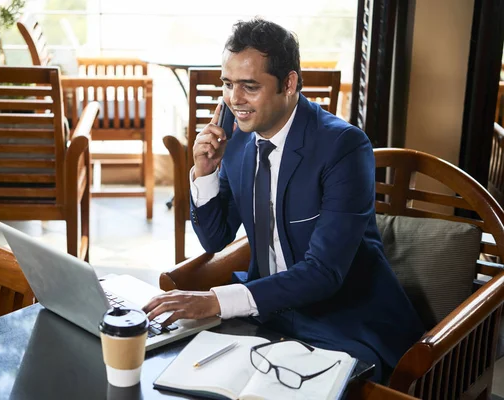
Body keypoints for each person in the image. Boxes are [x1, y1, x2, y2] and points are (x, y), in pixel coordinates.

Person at [144, 18, 424, 382]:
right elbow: (215, 240)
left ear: (289, 83)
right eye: (227, 84)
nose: (234, 99)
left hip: (344, 319)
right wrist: (206, 172)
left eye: (249, 86)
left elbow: (324, 273)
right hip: (269, 311)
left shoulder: (344, 147)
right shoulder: (237, 136)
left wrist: (216, 299)